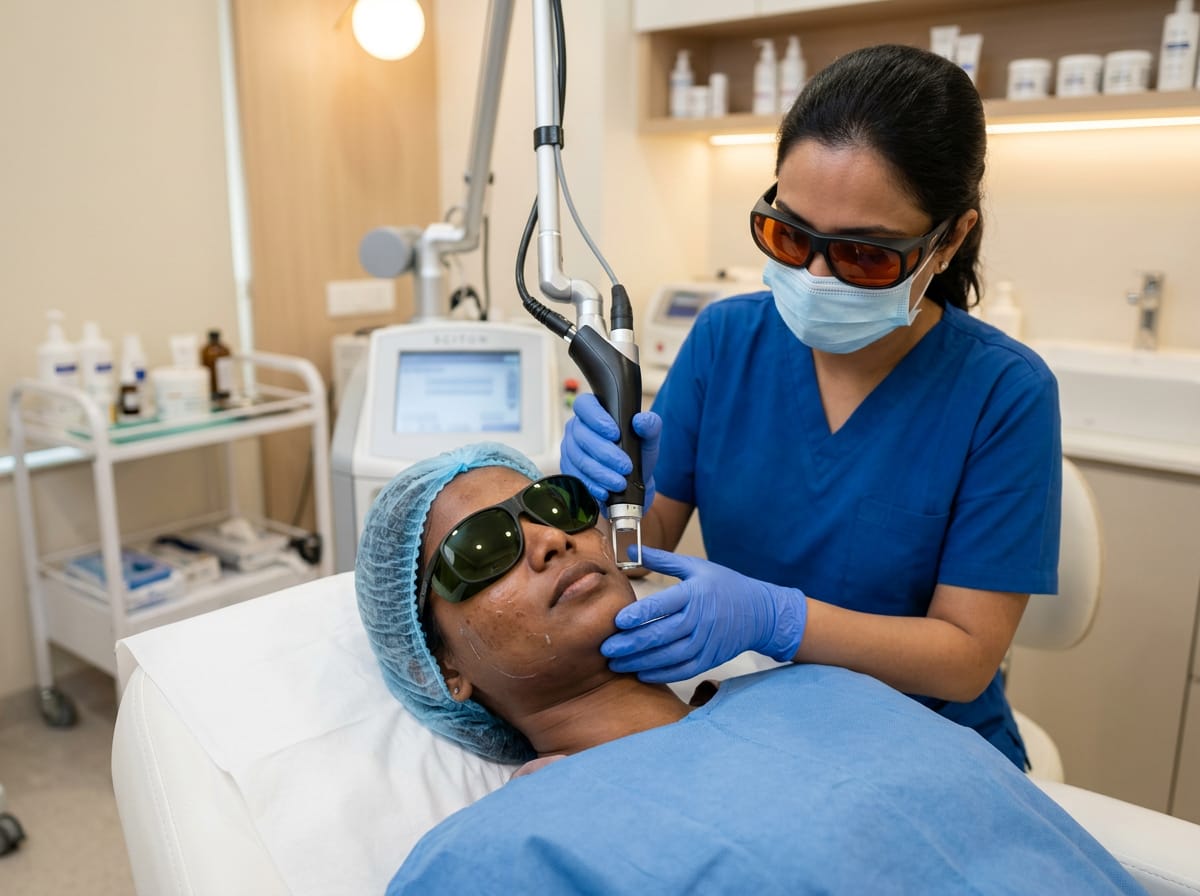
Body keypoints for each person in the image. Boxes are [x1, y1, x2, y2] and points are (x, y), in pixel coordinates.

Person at [561, 44, 1062, 770]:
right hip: (753, 715)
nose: (816, 275)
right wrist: (600, 499)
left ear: (950, 238)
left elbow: (962, 660)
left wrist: (777, 618)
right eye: (790, 234)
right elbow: (635, 554)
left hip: (924, 742)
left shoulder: (1004, 394)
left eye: (864, 254)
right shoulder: (725, 340)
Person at [355, 443, 1138, 894]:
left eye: (558, 504)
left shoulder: (821, 687)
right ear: (445, 667)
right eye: (483, 548)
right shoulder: (498, 853)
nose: (550, 540)